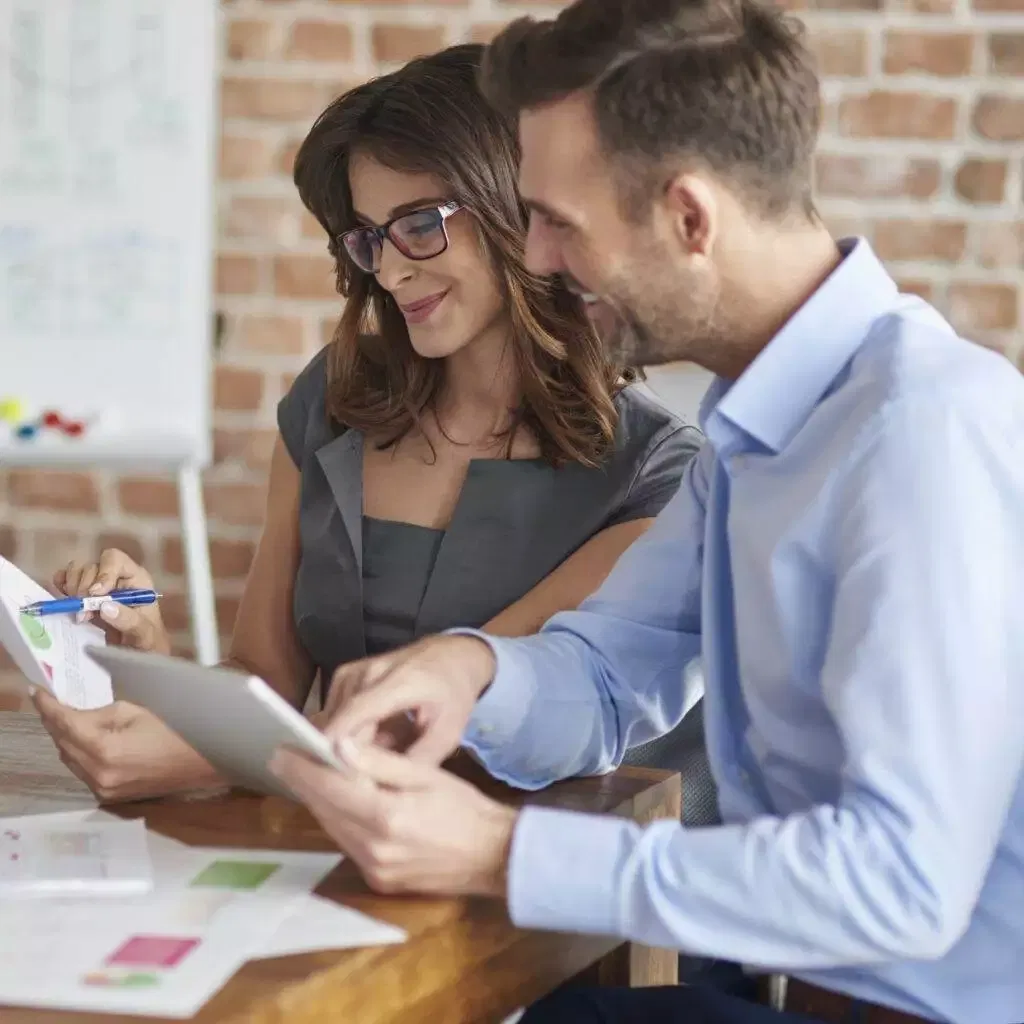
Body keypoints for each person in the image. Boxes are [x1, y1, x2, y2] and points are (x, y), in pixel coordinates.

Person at [269, 3, 1024, 1024]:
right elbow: (611, 667)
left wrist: (503, 852)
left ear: (688, 218)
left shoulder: (918, 435)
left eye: (559, 223)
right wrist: (466, 670)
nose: (534, 259)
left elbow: (900, 886)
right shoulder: (756, 433)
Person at [31, 43, 700, 804]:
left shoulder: (654, 477)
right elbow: (264, 682)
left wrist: (207, 757)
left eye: (419, 225)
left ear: (517, 208)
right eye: (370, 236)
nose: (388, 269)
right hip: (327, 848)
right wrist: (146, 663)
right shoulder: (335, 399)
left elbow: (462, 720)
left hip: (521, 876)